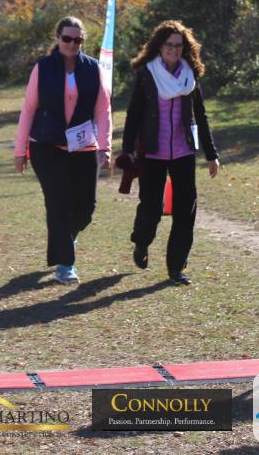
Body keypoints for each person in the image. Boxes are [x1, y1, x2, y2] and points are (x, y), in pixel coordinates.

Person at [120, 20, 220, 285]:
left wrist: (211, 154)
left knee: (186, 211)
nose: (174, 50)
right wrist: (127, 149)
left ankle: (176, 268)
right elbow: (134, 113)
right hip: (152, 152)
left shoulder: (190, 75)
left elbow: (201, 115)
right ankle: (142, 242)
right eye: (170, 45)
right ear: (159, 46)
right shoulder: (147, 74)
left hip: (183, 151)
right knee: (151, 208)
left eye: (179, 45)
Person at [14, 17, 112, 284]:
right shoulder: (43, 68)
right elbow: (29, 109)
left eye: (77, 40)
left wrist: (105, 146)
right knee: (58, 202)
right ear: (58, 39)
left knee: (86, 208)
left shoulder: (92, 68)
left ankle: (67, 237)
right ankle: (65, 264)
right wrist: (20, 150)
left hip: (83, 147)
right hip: (46, 146)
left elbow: (103, 110)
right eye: (67, 38)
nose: (71, 44)